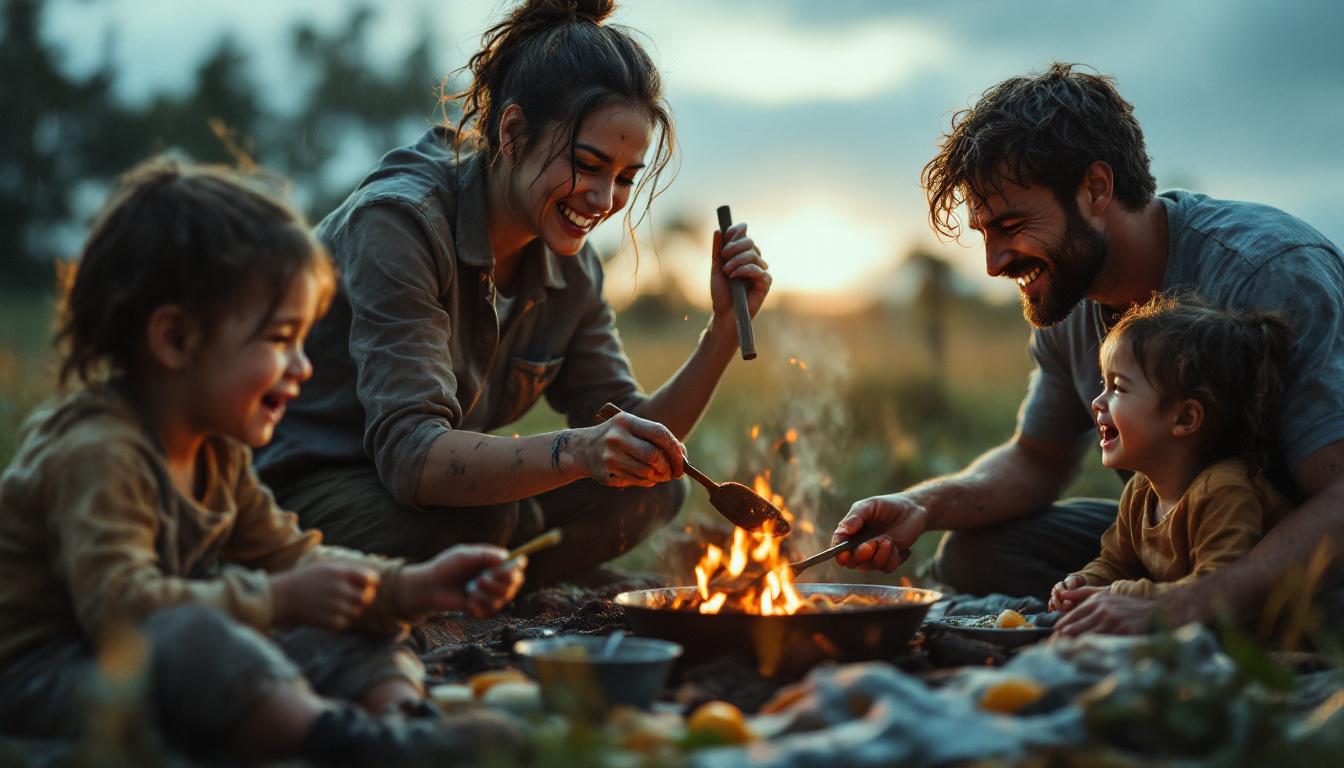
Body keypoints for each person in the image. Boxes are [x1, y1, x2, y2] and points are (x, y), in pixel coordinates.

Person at [0, 159, 527, 764]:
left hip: (161, 665)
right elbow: (123, 614)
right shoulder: (97, 451)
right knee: (202, 639)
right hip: (49, 680)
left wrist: (409, 585)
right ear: (175, 340)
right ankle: (343, 743)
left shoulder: (217, 453)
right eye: (280, 340)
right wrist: (277, 599)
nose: (301, 367)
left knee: (343, 621)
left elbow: (295, 557)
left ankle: (401, 720)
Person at [255, 0, 772, 583]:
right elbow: (412, 457)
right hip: (305, 489)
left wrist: (722, 334)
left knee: (649, 492)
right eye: (587, 164)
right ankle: (511, 578)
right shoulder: (399, 225)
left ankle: (512, 584)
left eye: (625, 177)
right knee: (482, 521)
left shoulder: (572, 266)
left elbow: (634, 431)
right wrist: (577, 451)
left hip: (443, 500)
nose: (603, 201)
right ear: (512, 132)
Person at [831, 62, 1344, 636]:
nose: (995, 263)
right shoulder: (1065, 292)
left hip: (1298, 539)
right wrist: (920, 506)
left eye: (1012, 224)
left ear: (1096, 188)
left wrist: (1186, 605)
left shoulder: (1269, 273)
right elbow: (1036, 459)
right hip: (1176, 536)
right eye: (985, 235)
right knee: (972, 556)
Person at [1048, 296, 1293, 613]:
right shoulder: (1141, 491)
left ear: (1185, 419)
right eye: (1102, 383)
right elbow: (1117, 562)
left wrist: (1122, 593)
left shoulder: (1223, 491)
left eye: (1119, 388)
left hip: (1286, 639)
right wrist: (1085, 582)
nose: (1097, 401)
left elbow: (1217, 588)